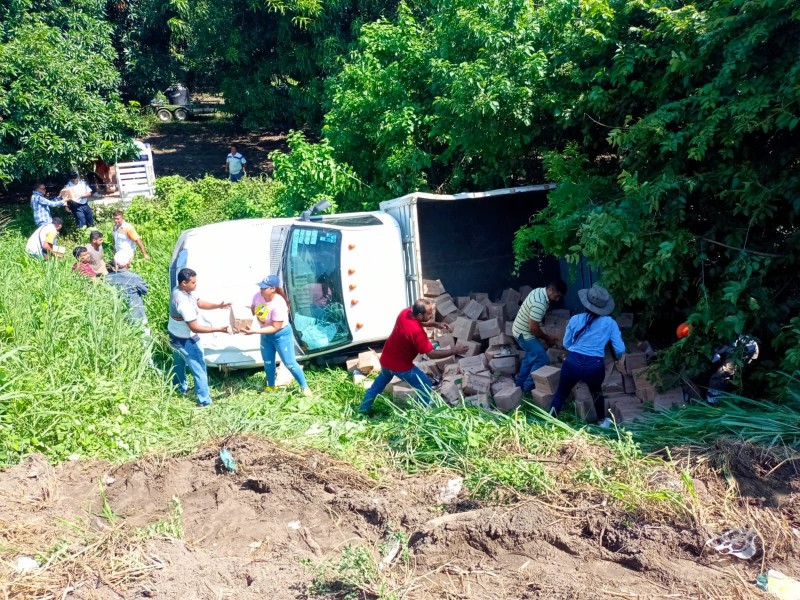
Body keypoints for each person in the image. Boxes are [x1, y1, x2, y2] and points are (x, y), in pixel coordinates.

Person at [358, 299, 469, 413]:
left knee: (377, 387)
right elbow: (431, 354)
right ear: (420, 315)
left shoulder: (405, 313)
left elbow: (418, 322)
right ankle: (419, 413)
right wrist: (454, 350)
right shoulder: (417, 332)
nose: (431, 315)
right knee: (425, 385)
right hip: (401, 367)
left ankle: (362, 410)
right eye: (429, 313)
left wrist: (435, 324)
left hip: (386, 361)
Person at [547, 285, 626, 428]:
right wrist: (617, 357)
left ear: (586, 304)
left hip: (571, 363)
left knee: (560, 394)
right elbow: (620, 349)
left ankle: (549, 422)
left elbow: (566, 343)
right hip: (595, 366)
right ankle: (602, 422)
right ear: (604, 307)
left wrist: (576, 352)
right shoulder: (610, 323)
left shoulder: (575, 319)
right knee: (596, 393)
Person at [168, 268, 232, 406]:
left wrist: (219, 306)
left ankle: (179, 387)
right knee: (199, 369)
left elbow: (199, 302)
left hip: (174, 335)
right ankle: (204, 400)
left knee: (179, 362)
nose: (196, 284)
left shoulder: (179, 289)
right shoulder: (183, 303)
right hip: (187, 339)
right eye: (193, 282)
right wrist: (219, 329)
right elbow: (194, 327)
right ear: (184, 283)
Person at [243, 275, 312, 395]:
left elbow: (276, 327)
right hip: (265, 335)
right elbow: (254, 308)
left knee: (289, 363)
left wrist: (255, 331)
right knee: (268, 362)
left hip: (281, 335)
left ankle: (304, 387)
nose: (261, 289)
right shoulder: (258, 296)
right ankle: (271, 386)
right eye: (260, 287)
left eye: (264, 287)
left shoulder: (279, 303)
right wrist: (259, 319)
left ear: (272, 289)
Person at [677, 324, 759, 404]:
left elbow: (716, 359)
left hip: (745, 350)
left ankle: (712, 403)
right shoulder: (702, 336)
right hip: (733, 350)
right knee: (718, 374)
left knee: (719, 375)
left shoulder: (706, 338)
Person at [512, 279, 568, 392]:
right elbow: (532, 328)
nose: (557, 300)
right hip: (524, 334)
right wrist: (547, 338)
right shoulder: (540, 303)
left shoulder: (539, 291)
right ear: (550, 290)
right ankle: (528, 388)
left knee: (530, 357)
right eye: (557, 296)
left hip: (519, 329)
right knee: (542, 359)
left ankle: (519, 386)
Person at [107, 251, 149, 321]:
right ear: (128, 263)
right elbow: (145, 290)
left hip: (118, 315)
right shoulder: (134, 277)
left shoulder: (108, 278)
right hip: (136, 314)